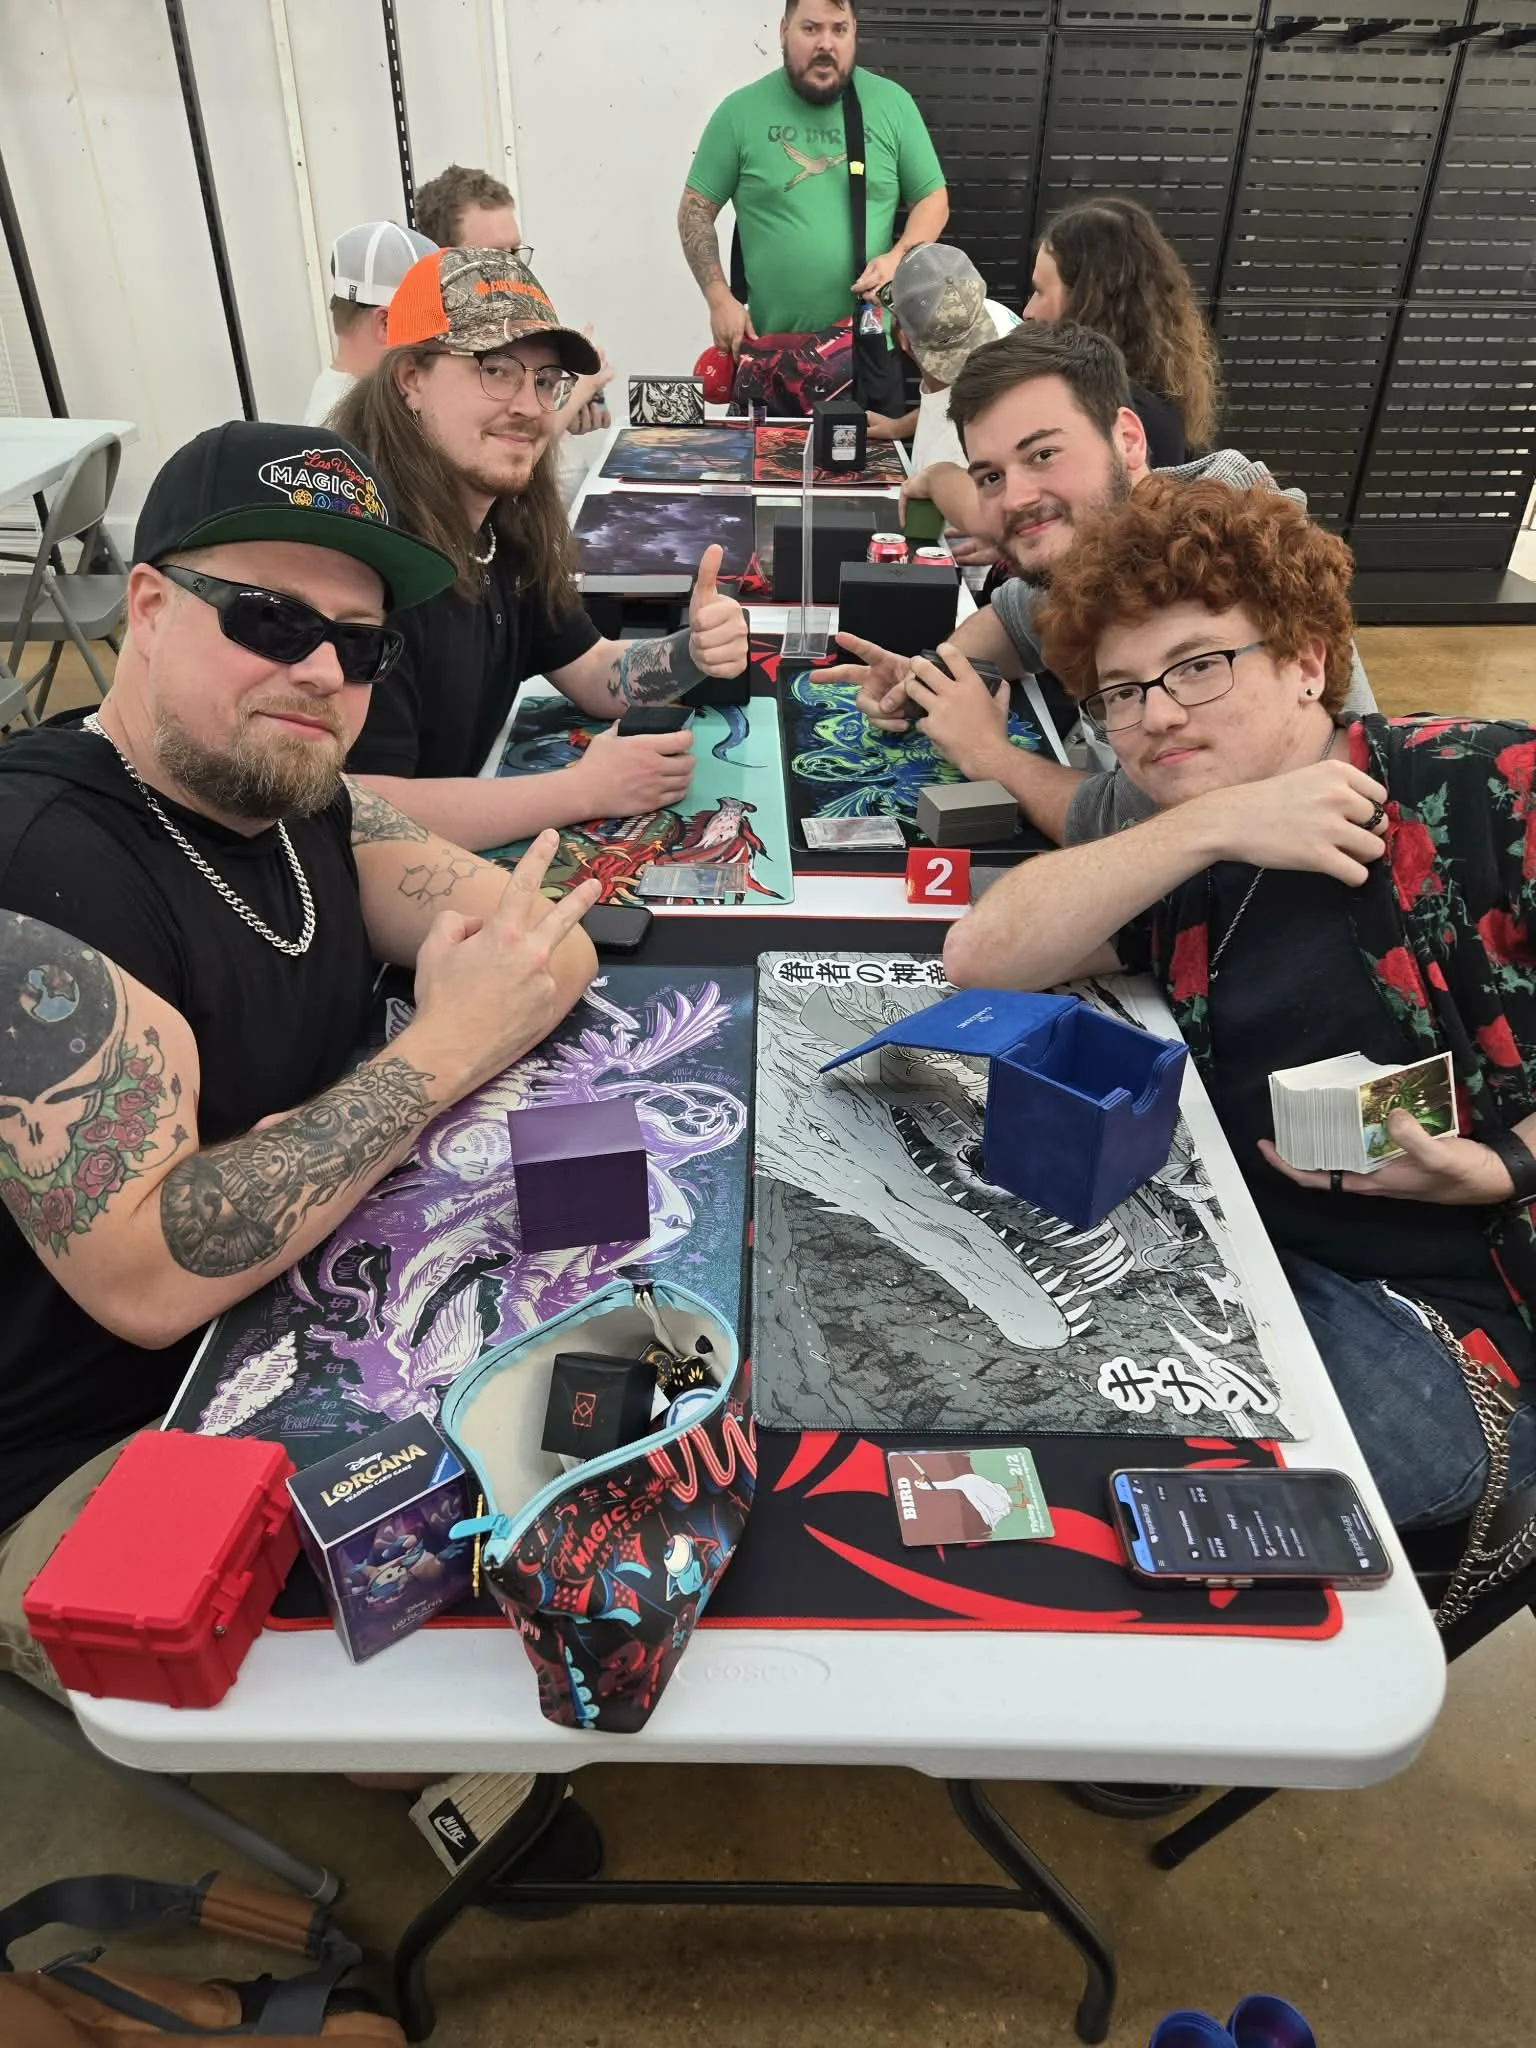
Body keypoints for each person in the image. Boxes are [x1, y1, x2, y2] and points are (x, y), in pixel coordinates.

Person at [0, 419, 602, 1695]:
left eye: (362, 640)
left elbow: (550, 951)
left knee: (628, 1441)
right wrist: (442, 1047)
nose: (323, 668)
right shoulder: (35, 871)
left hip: (310, 1296)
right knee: (465, 1642)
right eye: (271, 618)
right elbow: (154, 1271)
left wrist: (449, 1034)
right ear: (149, 608)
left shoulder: (300, 795)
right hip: (91, 1431)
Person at [943, 477, 1536, 1536]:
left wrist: (1504, 1163)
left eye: (1199, 666)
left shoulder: (1484, 786)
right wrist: (1210, 826)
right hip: (1246, 1258)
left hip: (1463, 1324)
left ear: (1309, 662)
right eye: (1122, 691)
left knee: (1087, 1492)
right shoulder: (1197, 848)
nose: (1157, 712)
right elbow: (981, 953)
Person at [823, 321, 1375, 846]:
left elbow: (1135, 831)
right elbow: (1014, 620)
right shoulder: (1113, 548)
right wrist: (933, 675)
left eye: (1043, 454)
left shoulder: (1211, 577)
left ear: (1128, 440)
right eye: (991, 476)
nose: (1015, 498)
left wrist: (988, 753)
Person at [337, 248, 748, 850]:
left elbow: (591, 673)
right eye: (495, 368)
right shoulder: (367, 559)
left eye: (544, 381)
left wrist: (694, 651)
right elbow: (359, 811)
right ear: (411, 379)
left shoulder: (502, 528)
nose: (528, 406)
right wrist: (583, 789)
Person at [678, 0, 949, 358]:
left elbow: (933, 200)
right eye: (811, 29)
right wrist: (719, 299)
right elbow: (695, 210)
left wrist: (899, 256)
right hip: (768, 351)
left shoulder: (892, 104)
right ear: (783, 31)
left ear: (854, 33)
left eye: (839, 29)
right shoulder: (738, 113)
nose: (826, 43)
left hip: (866, 350)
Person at [414, 161, 611, 486]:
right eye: (494, 255)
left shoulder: (522, 313)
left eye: (515, 252)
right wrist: (580, 391)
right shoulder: (435, 343)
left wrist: (564, 395)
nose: (512, 269)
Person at [1025, 195, 1218, 462]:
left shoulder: (1126, 414)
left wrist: (947, 476)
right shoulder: (1150, 396)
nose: (1028, 312)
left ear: (1087, 301)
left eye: (1040, 291)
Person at [873, 242, 1019, 478]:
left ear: (903, 338)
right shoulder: (993, 315)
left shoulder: (950, 455)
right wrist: (899, 427)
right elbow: (944, 396)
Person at [304, 220, 437, 427]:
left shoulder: (333, 393)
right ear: (386, 325)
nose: (440, 337)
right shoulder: (362, 425)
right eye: (429, 321)